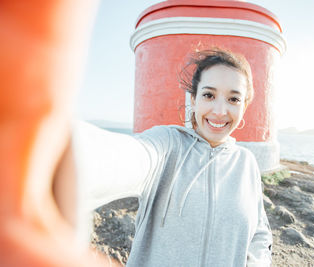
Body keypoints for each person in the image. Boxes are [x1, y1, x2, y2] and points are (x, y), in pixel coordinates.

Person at [73, 48, 272, 266]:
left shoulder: (246, 163)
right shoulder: (167, 145)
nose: (220, 110)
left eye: (233, 99)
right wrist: (63, 151)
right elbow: (128, 157)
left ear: (244, 107)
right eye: (209, 95)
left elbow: (260, 233)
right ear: (193, 100)